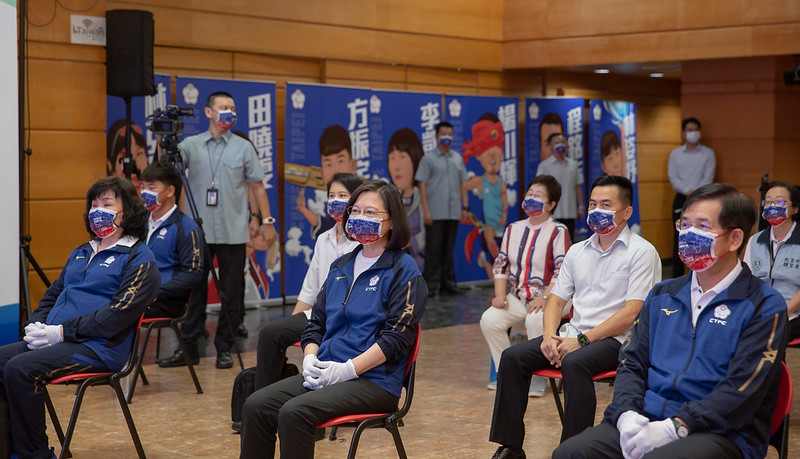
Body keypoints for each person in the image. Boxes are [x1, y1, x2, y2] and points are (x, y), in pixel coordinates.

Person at [554, 183, 788, 459]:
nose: (688, 234)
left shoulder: (763, 305)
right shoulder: (663, 295)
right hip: (646, 419)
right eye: (684, 224)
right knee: (571, 453)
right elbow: (631, 362)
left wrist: (676, 427)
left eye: (702, 226)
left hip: (721, 432)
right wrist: (626, 415)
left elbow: (742, 388)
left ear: (735, 238)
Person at [239, 180, 427, 459]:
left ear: (391, 221)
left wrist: (347, 370)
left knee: (294, 412)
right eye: (356, 210)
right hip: (327, 371)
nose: (360, 217)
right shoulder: (341, 266)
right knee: (256, 405)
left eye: (370, 212)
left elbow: (396, 339)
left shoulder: (404, 270)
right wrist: (310, 359)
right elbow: (316, 324)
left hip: (374, 382)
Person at [489, 175, 661, 458]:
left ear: (626, 211)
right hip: (575, 334)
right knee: (513, 357)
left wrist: (581, 341)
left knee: (575, 361)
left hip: (620, 341)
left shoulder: (642, 252)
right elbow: (555, 301)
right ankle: (509, 447)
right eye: (592, 204)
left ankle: (573, 450)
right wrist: (548, 337)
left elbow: (632, 313)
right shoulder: (577, 251)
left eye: (606, 205)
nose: (596, 210)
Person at [0, 176, 159, 458]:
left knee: (21, 369)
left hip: (99, 348)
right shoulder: (81, 252)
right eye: (94, 205)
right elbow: (52, 295)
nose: (98, 211)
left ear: (128, 211)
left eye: (107, 204)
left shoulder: (140, 258)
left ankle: (36, 454)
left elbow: (117, 315)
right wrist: (35, 325)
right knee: (2, 360)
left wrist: (62, 332)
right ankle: (8, 449)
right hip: (58, 340)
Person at [158, 91, 277, 370]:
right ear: (209, 112)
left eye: (232, 108)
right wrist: (165, 142)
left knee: (231, 293)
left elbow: (257, 187)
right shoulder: (191, 145)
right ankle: (188, 347)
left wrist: (267, 221)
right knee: (194, 290)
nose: (229, 113)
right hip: (197, 232)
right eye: (223, 107)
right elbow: (168, 168)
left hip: (233, 231)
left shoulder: (243, 147)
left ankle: (225, 347)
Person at [253, 173, 364, 393]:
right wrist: (292, 325)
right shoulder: (323, 239)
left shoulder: (362, 243)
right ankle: (264, 400)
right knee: (270, 334)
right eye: (331, 195)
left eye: (343, 195)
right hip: (318, 315)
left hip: (347, 317)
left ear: (356, 201)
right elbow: (310, 289)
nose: (335, 200)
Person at [480, 175, 570, 396]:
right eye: (530, 193)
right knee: (489, 320)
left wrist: (546, 298)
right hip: (519, 297)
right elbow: (501, 265)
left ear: (551, 204)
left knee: (535, 320)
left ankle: (538, 378)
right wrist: (499, 295)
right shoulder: (513, 229)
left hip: (554, 298)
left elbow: (562, 271)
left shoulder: (558, 231)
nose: (531, 198)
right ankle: (507, 372)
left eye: (538, 196)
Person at [140, 160, 204, 319]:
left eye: (152, 188)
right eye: (143, 187)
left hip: (166, 301)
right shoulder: (138, 223)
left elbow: (193, 273)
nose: (145, 193)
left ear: (170, 191)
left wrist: (157, 291)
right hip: (136, 294)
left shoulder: (187, 227)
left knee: (113, 315)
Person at [415, 121, 469, 296]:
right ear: (436, 136)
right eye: (443, 133)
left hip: (453, 212)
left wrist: (465, 206)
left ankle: (447, 284)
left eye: (449, 133)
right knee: (433, 250)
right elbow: (422, 185)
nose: (447, 136)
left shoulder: (457, 158)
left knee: (448, 249)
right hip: (435, 212)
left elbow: (463, 184)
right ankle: (430, 286)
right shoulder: (428, 159)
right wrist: (426, 210)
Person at [744, 181, 800, 340]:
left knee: (768, 333)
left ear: (794, 209)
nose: (773, 206)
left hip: (793, 312)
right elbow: (746, 280)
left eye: (780, 202)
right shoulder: (755, 241)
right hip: (761, 310)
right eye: (768, 202)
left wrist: (781, 312)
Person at [668, 117, 716, 278]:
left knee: (701, 237)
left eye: (695, 130)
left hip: (703, 198)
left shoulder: (708, 153)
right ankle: (677, 278)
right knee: (679, 238)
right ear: (683, 133)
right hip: (681, 198)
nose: (692, 133)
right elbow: (673, 178)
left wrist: (696, 193)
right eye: (689, 130)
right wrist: (688, 191)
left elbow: (708, 177)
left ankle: (701, 274)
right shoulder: (675, 154)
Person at [461, 114, 509, 272]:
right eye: (487, 151)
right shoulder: (479, 181)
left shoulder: (501, 182)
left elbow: (505, 202)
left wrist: (504, 216)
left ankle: (492, 264)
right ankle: (495, 261)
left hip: (500, 224)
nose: (492, 155)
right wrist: (466, 208)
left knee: (499, 253)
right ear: (479, 156)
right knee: (489, 236)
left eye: (496, 151)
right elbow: (463, 186)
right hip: (487, 225)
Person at [296, 124, 358, 239]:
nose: (335, 170)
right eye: (328, 164)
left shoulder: (361, 199)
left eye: (340, 161)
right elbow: (329, 228)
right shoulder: (334, 209)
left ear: (353, 166)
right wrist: (303, 209)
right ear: (322, 172)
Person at [387, 127, 426, 271]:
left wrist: (412, 242)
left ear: (415, 158)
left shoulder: (422, 196)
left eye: (402, 156)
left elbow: (428, 235)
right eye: (392, 158)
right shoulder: (389, 197)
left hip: (421, 267)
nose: (396, 167)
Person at [536, 133, 585, 240]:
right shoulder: (544, 166)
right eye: (556, 143)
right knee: (551, 240)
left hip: (570, 211)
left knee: (568, 239)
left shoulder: (574, 165)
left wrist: (581, 206)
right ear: (551, 146)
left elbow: (577, 187)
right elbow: (539, 188)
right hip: (551, 212)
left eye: (562, 142)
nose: (560, 145)